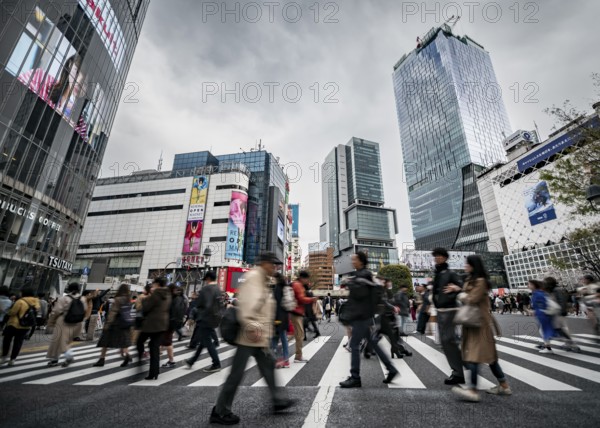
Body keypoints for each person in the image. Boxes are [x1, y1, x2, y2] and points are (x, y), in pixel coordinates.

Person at [210, 252, 294, 425]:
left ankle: (278, 400)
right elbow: (248, 306)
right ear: (263, 263)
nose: (275, 267)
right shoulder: (254, 278)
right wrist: (253, 328)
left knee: (268, 367)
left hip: (258, 335)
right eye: (272, 264)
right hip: (250, 336)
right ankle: (220, 411)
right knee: (236, 374)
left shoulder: (263, 279)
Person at [451, 255, 511, 402]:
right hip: (472, 323)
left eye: (467, 264)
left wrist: (460, 293)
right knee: (490, 358)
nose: (465, 266)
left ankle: (473, 391)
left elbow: (472, 299)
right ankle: (504, 385)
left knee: (474, 357)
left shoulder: (481, 281)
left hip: (479, 324)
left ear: (473, 265)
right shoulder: (472, 280)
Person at [339, 251, 398, 388]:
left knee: (354, 345)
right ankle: (391, 369)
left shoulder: (363, 275)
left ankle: (355, 377)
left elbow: (360, 295)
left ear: (361, 261)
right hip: (364, 316)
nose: (352, 262)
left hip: (361, 316)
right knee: (373, 344)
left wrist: (351, 283)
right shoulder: (364, 275)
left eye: (354, 260)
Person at [431, 247, 465, 385]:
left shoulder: (450, 273)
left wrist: (456, 289)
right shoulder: (438, 273)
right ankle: (461, 367)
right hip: (441, 310)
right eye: (435, 256)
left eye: (439, 256)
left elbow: (462, 286)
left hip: (450, 309)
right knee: (447, 341)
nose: (436, 258)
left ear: (445, 258)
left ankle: (459, 371)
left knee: (447, 340)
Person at [185, 272, 222, 372]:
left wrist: (198, 316)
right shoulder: (218, 289)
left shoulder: (206, 289)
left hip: (205, 318)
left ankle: (216, 363)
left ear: (208, 278)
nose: (205, 281)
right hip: (215, 318)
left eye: (206, 279)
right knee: (203, 340)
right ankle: (192, 361)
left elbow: (201, 304)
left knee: (207, 341)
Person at [136, 277, 171, 380]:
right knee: (154, 347)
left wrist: (147, 297)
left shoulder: (156, 294)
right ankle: (154, 372)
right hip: (162, 324)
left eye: (153, 284)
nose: (152, 285)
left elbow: (146, 307)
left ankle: (140, 359)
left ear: (157, 284)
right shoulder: (168, 294)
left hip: (151, 324)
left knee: (140, 341)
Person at [47, 283, 87, 367]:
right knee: (67, 341)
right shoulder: (82, 299)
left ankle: (65, 357)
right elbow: (85, 310)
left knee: (59, 341)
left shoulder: (64, 298)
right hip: (77, 322)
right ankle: (57, 358)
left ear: (68, 289)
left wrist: (51, 322)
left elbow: (56, 311)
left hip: (63, 321)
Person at [92, 283, 132, 367]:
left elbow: (113, 312)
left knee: (105, 341)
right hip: (124, 323)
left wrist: (107, 324)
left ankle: (101, 359)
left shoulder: (117, 299)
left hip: (115, 323)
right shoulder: (128, 300)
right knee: (123, 342)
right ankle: (127, 356)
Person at [1, 287, 40, 366]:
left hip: (13, 324)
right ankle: (12, 359)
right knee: (18, 343)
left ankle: (4, 357)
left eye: (21, 292)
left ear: (24, 293)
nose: (19, 293)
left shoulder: (20, 301)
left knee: (7, 341)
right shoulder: (36, 302)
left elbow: (12, 312)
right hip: (26, 326)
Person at [290, 271, 317, 362]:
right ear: (303, 278)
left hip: (295, 312)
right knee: (298, 334)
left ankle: (298, 355)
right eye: (307, 278)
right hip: (296, 313)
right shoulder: (298, 285)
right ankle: (298, 356)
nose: (308, 280)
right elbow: (301, 299)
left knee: (296, 334)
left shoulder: (297, 284)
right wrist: (312, 299)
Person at [162, 284, 188, 368]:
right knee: (164, 340)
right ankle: (156, 355)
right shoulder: (182, 298)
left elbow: (171, 311)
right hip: (175, 322)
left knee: (168, 342)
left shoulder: (174, 299)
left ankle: (171, 361)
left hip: (170, 322)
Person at [530, 279, 556, 353]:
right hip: (541, 313)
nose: (528, 286)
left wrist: (538, 311)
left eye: (530, 284)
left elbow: (543, 304)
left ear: (534, 285)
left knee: (543, 330)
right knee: (543, 330)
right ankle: (547, 346)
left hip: (542, 314)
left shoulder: (538, 293)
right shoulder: (537, 293)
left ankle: (548, 348)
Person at [271, 272, 291, 368]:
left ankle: (281, 359)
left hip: (278, 318)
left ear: (276, 279)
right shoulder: (284, 287)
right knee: (280, 339)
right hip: (284, 317)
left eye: (273, 278)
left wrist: (275, 320)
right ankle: (283, 359)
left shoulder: (278, 289)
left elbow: (277, 306)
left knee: (277, 339)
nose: (272, 280)